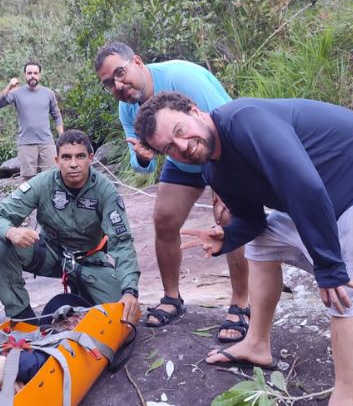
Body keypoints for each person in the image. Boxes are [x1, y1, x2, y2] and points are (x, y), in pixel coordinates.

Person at [135, 92, 353, 405]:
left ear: (194, 111)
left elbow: (304, 186)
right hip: (329, 196)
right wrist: (228, 238)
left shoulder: (244, 121)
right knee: (261, 242)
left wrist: (329, 268)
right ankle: (257, 343)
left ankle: (344, 397)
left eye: (179, 132)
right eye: (169, 149)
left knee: (345, 289)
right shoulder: (212, 170)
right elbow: (253, 220)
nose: (183, 147)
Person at [94, 42, 250, 340]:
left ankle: (242, 304)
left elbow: (228, 124)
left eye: (120, 73)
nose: (117, 85)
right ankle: (172, 298)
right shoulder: (127, 108)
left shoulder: (182, 77)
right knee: (164, 219)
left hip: (221, 151)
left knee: (230, 219)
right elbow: (143, 167)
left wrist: (224, 185)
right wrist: (142, 156)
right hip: (181, 160)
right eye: (108, 83)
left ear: (137, 61)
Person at [0, 129, 140, 323]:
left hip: (90, 259)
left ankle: (86, 290)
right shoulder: (41, 184)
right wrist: (10, 231)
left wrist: (129, 290)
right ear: (57, 160)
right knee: (2, 247)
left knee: (125, 317)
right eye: (66, 157)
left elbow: (122, 242)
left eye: (80, 156)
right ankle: (23, 320)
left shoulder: (105, 190)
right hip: (51, 254)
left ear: (91, 158)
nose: (73, 164)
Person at [0, 61, 65, 181]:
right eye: (29, 73)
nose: (33, 76)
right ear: (25, 75)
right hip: (26, 143)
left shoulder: (48, 93)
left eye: (35, 73)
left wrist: (62, 136)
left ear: (39, 75)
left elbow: (57, 115)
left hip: (47, 142)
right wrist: (9, 87)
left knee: (53, 177)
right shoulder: (16, 93)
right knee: (27, 180)